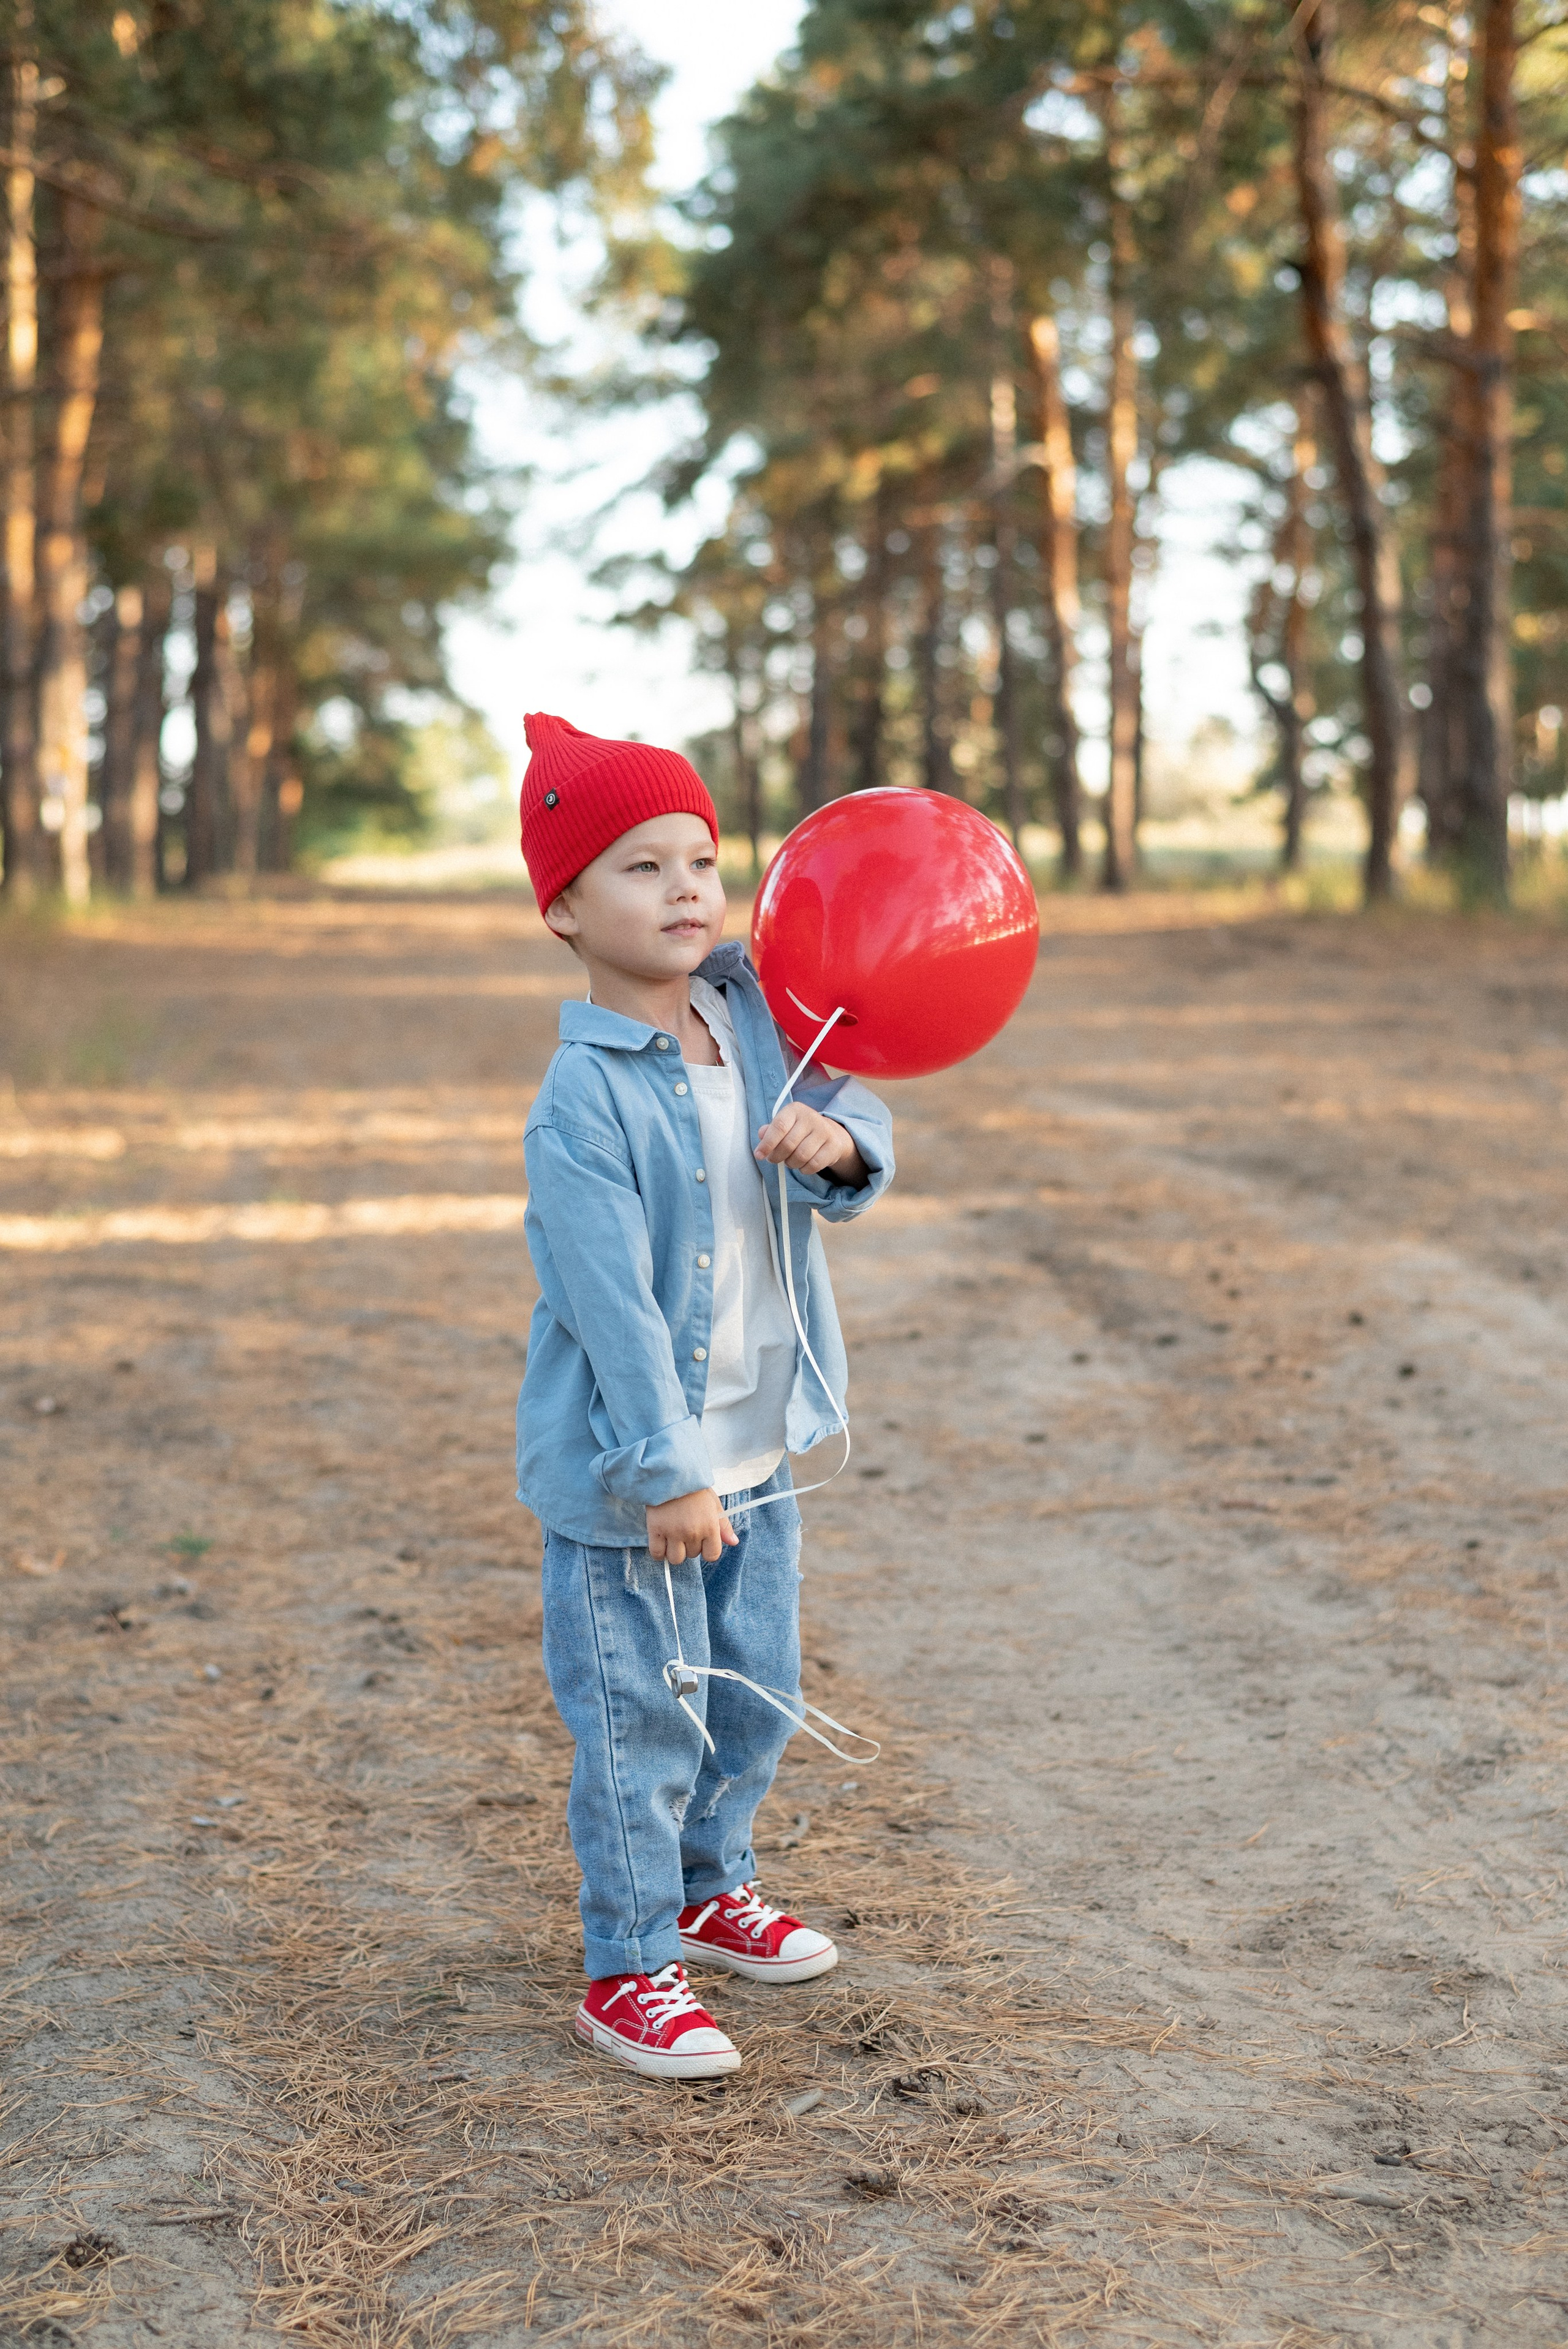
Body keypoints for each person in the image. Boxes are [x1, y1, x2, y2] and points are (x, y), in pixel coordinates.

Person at [515, 711, 895, 2079]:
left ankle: (706, 1882)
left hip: (759, 1441)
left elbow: (865, 1115)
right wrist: (661, 1467)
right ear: (561, 906)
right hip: (644, 1474)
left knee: (753, 1691)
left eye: (700, 860)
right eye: (637, 867)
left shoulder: (756, 1018)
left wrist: (835, 1139)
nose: (683, 889)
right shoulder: (579, 1101)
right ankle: (628, 1963)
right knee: (640, 1716)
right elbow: (608, 1309)